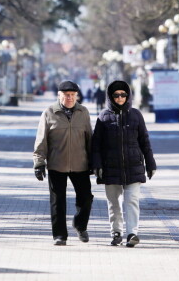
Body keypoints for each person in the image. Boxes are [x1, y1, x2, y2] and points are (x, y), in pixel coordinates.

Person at [91, 80, 156, 247]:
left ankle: (132, 233)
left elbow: (144, 141)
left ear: (128, 96)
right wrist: (96, 165)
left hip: (133, 165)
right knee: (114, 202)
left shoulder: (135, 115)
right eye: (116, 95)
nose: (120, 98)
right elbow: (96, 144)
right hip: (110, 167)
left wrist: (150, 163)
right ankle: (116, 232)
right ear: (110, 97)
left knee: (132, 200)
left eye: (123, 95)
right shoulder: (103, 116)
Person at [33, 80, 94, 246]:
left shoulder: (83, 112)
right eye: (66, 95)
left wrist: (94, 161)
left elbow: (90, 138)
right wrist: (39, 163)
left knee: (86, 198)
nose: (70, 98)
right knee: (57, 201)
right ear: (59, 95)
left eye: (73, 95)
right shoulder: (49, 113)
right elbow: (41, 139)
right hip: (56, 164)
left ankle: (80, 224)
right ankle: (60, 235)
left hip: (80, 163)